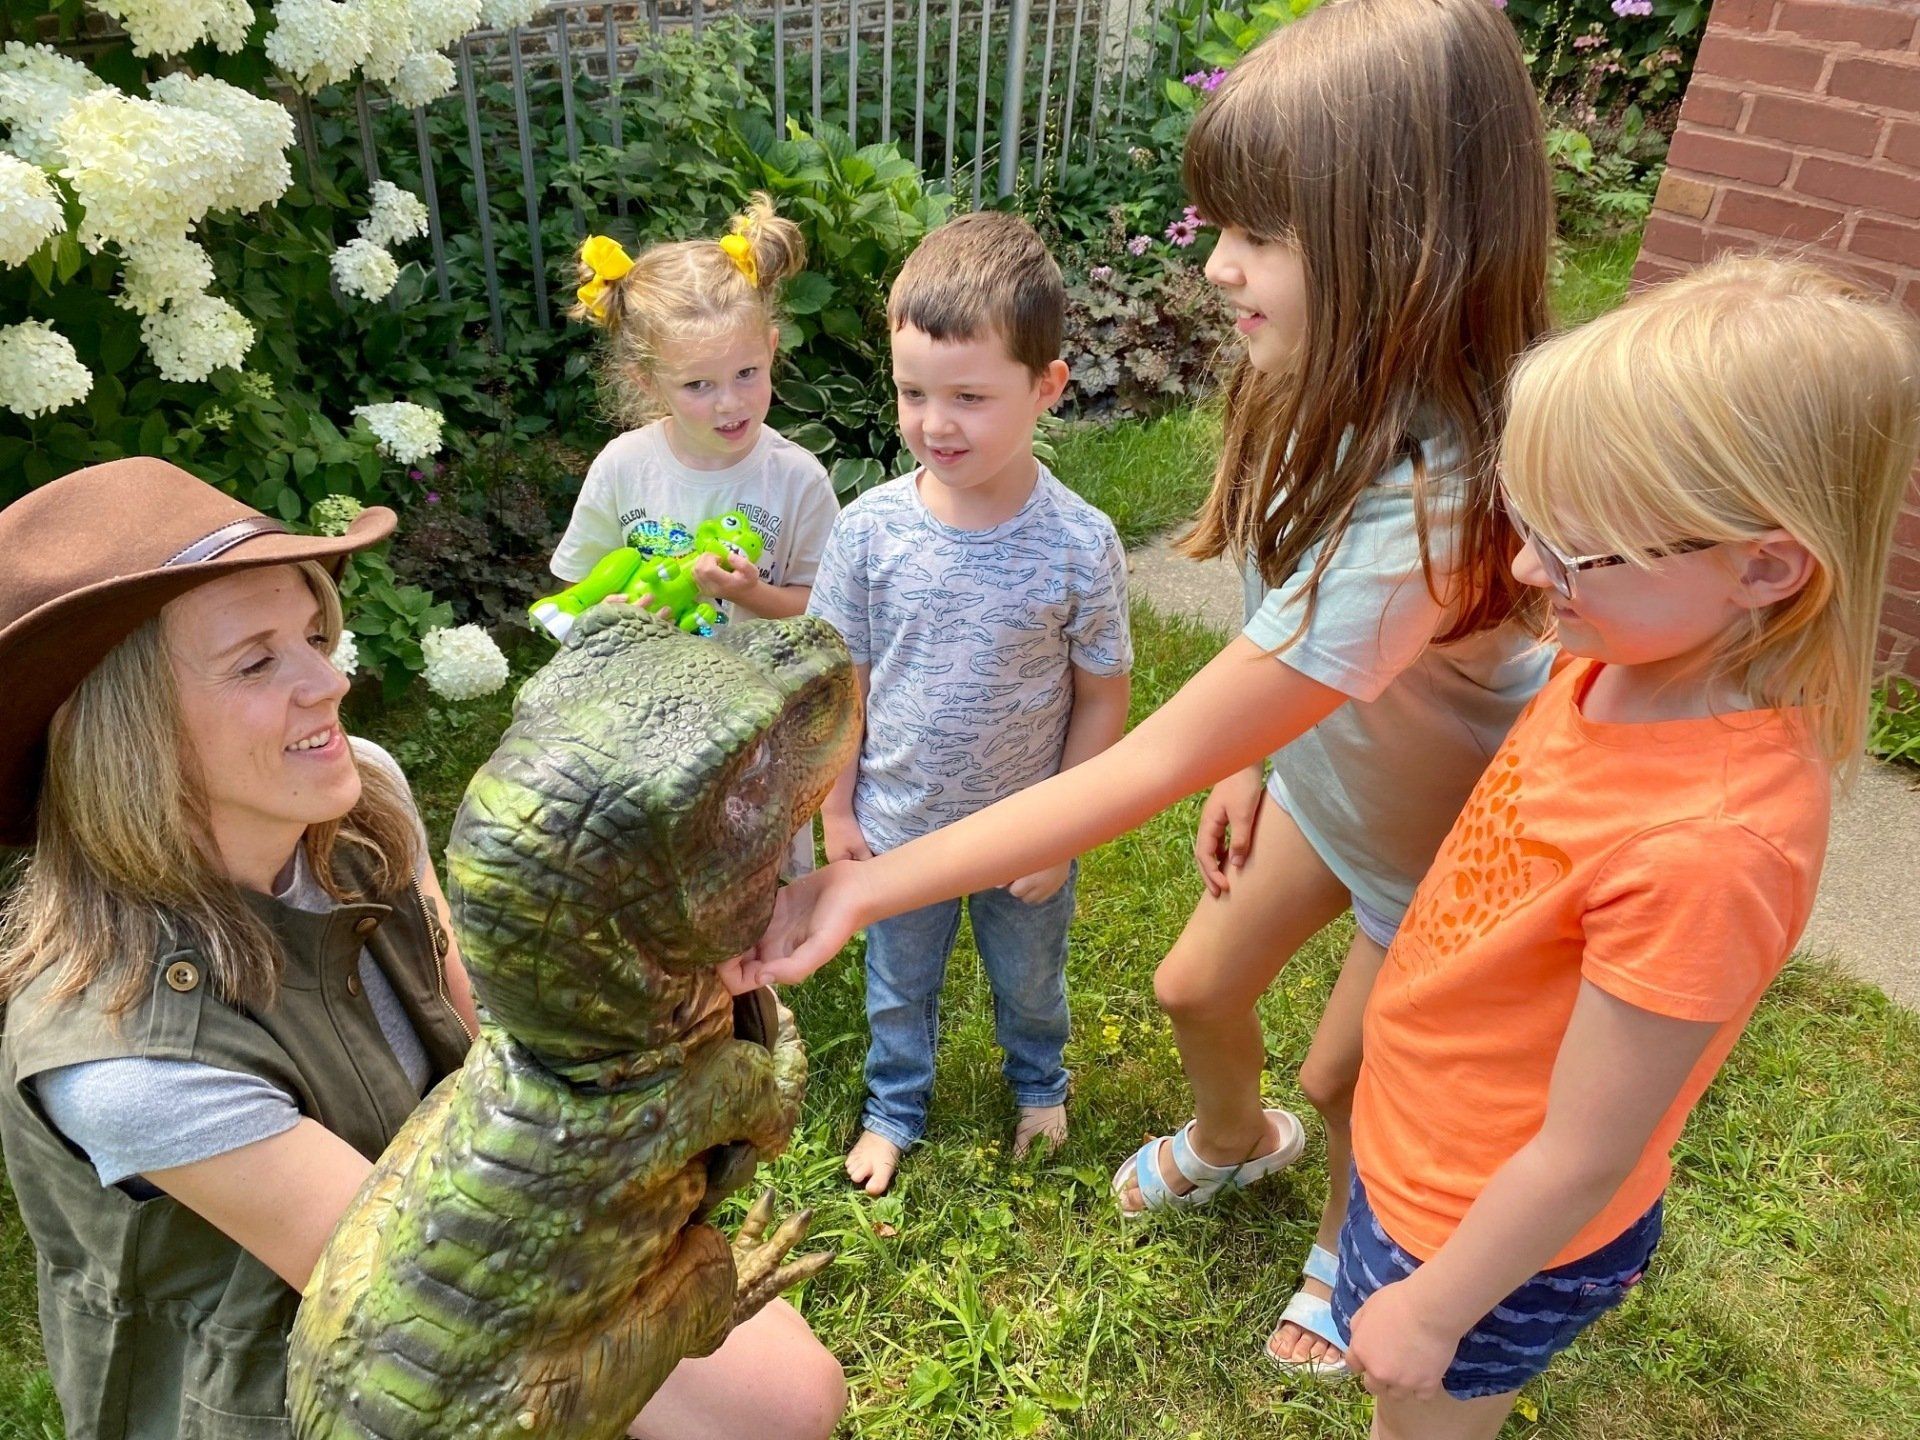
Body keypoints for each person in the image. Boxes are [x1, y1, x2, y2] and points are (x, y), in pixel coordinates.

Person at [739, 0, 1552, 1374]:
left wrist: (866, 883)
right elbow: (1285, 659)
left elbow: (1143, 758)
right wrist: (1262, 762)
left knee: (1350, 1073)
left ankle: (1348, 1255)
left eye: (1260, 234)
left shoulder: (1437, 499)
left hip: (1446, 858)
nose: (1220, 267)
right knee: (1190, 989)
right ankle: (1237, 1147)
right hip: (1330, 790)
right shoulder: (1326, 387)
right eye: (1219, 228)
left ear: (1404, 235)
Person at [0, 460, 846, 1440]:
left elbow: (503, 1039)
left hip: (482, 1214)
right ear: (122, 731)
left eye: (315, 636)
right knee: (772, 1406)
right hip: (336, 1372)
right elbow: (422, 1302)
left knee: (790, 1394)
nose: (333, 680)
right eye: (257, 661)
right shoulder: (127, 1054)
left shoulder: (362, 797)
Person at [1329, 256, 1920, 1438]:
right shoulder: (1618, 659)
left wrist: (1439, 1309)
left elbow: (1586, 1152)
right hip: (1420, 1154)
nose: (1525, 567)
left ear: (1763, 566)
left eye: (1576, 549)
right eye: (1530, 522)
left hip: (1481, 1238)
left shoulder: (1712, 847)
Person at [806, 211, 1133, 1196]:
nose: (935, 423)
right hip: (897, 829)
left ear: (1047, 387)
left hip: (1023, 835)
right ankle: (893, 1109)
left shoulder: (1080, 543)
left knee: (1029, 980)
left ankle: (1040, 1086)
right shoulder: (868, 535)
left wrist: (1060, 831)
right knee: (895, 986)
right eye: (913, 393)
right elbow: (840, 686)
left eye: (969, 397)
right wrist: (833, 807)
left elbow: (1103, 695)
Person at [553, 193, 840, 624]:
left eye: (746, 372)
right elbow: (577, 589)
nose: (730, 402)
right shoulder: (623, 467)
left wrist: (751, 594)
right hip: (645, 684)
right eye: (698, 384)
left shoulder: (799, 481)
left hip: (761, 688)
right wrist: (604, 615)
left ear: (771, 349)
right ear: (646, 381)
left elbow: (826, 609)